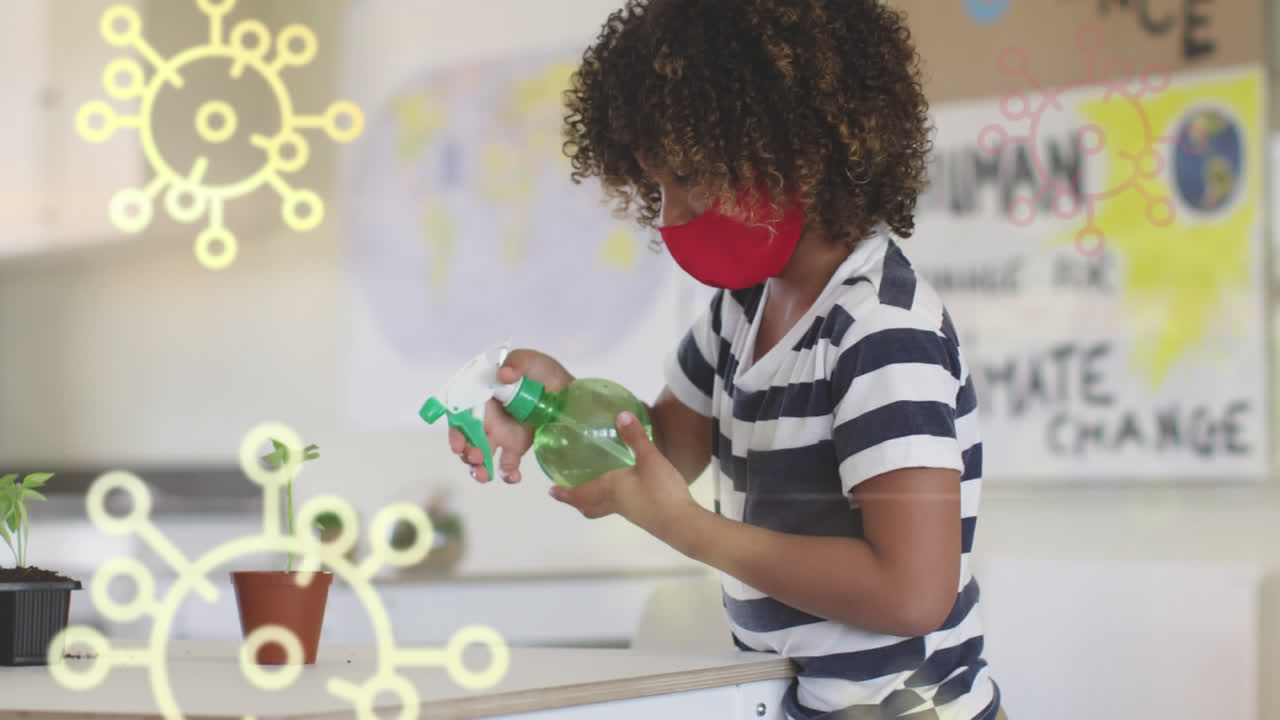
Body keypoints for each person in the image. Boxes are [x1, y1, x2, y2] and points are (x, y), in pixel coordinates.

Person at [448, 1, 1004, 717]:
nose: (670, 215)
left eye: (689, 176)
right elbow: (662, 452)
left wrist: (689, 530)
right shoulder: (740, 311)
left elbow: (913, 593)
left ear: (799, 148)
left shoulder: (880, 331)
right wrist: (552, 406)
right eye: (657, 186)